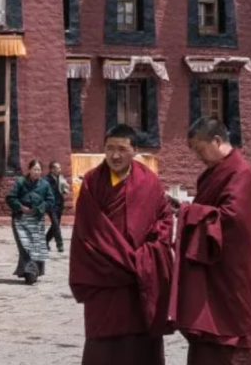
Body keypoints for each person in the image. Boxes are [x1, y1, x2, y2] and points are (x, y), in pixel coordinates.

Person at [69, 124, 173, 365]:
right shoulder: (92, 182)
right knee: (104, 348)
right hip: (105, 280)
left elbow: (164, 223)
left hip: (139, 283)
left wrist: (145, 259)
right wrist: (128, 262)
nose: (115, 155)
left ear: (135, 150)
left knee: (140, 346)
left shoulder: (150, 183)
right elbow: (88, 233)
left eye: (122, 149)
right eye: (109, 149)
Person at [169, 117, 251, 365]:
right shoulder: (215, 173)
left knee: (230, 333)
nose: (198, 157)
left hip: (230, 271)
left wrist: (190, 212)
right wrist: (186, 209)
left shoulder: (240, 173)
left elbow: (234, 220)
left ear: (217, 141)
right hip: (211, 269)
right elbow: (211, 211)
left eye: (199, 149)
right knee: (205, 333)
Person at [5, 159, 55, 285]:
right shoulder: (20, 182)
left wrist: (39, 208)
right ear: (29, 170)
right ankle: (29, 272)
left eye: (39, 170)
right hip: (20, 218)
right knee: (25, 246)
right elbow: (10, 197)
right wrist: (20, 207)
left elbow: (50, 200)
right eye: (34, 169)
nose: (37, 172)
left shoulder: (45, 184)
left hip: (37, 219)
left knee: (36, 247)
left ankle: (32, 272)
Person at [45, 160, 69, 253]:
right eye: (57, 168)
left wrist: (65, 188)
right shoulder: (46, 180)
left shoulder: (61, 178)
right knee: (55, 225)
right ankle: (60, 244)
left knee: (55, 225)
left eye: (60, 167)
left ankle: (45, 241)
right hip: (51, 206)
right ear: (52, 169)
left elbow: (63, 190)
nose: (60, 169)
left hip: (59, 205)